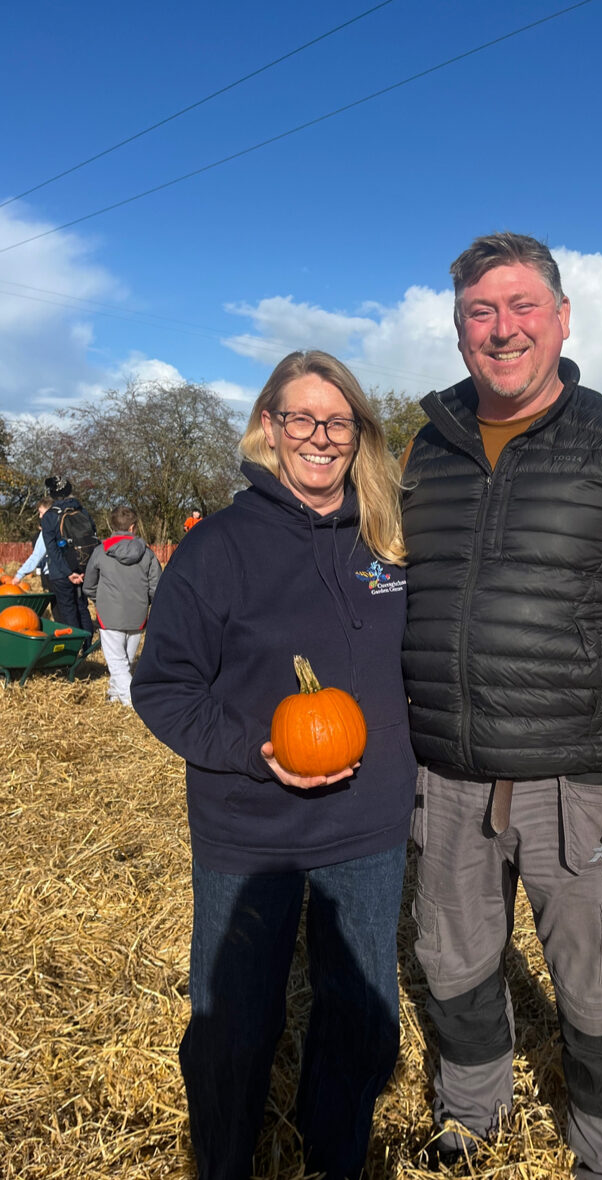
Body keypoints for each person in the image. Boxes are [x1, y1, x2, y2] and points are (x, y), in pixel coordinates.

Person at [401, 231, 602, 1177]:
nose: (502, 330)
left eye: (521, 307)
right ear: (458, 329)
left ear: (562, 317)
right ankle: (471, 1111)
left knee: (593, 984)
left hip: (578, 779)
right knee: (454, 961)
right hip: (448, 773)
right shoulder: (427, 447)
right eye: (479, 313)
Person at [133, 351, 413, 1180]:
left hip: (368, 824)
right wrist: (253, 752)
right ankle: (222, 1161)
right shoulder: (218, 548)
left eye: (338, 421)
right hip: (248, 828)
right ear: (269, 426)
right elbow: (163, 687)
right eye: (301, 419)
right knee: (234, 1025)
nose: (320, 438)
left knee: (360, 1019)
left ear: (357, 433)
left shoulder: (387, 539)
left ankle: (338, 1159)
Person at [82, 505, 162, 707]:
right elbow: (157, 586)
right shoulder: (148, 554)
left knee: (118, 663)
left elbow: (89, 585)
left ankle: (131, 701)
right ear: (133, 527)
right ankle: (114, 695)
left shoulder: (100, 552)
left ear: (112, 525)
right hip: (138, 614)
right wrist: (147, 603)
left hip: (109, 615)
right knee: (124, 660)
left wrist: (100, 601)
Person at [39, 476, 96, 633]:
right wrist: (85, 569)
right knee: (82, 606)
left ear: (52, 494)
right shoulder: (82, 510)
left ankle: (75, 645)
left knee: (68, 610)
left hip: (61, 571)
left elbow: (51, 549)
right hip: (83, 566)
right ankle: (87, 643)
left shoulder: (49, 516)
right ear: (69, 490)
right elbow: (92, 538)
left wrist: (68, 573)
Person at [15, 499, 51, 584]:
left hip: (52, 575)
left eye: (41, 512)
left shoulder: (47, 531)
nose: (40, 516)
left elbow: (37, 555)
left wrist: (19, 575)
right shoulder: (63, 527)